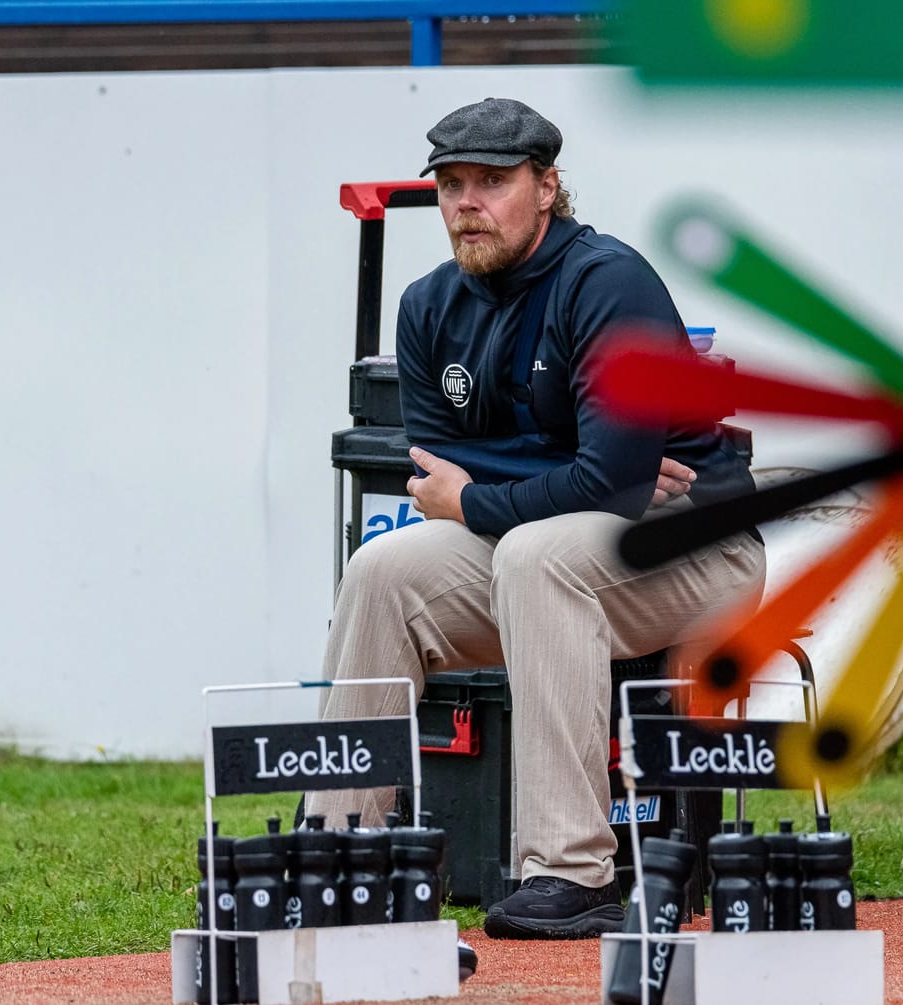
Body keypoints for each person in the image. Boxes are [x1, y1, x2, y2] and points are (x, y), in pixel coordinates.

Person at [305, 97, 766, 939]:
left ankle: (571, 868)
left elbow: (605, 488)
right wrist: (584, 473)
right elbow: (446, 475)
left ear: (546, 186)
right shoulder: (426, 305)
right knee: (384, 569)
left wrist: (523, 486)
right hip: (562, 547)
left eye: (492, 182)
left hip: (698, 546)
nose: (466, 203)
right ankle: (339, 849)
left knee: (536, 552)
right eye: (451, 184)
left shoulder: (608, 281)